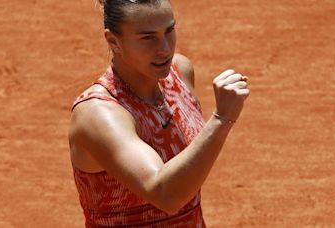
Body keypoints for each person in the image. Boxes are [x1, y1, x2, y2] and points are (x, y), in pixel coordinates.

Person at [68, 0, 250, 227]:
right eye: (148, 38)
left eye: (169, 30)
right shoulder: (99, 113)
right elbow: (164, 194)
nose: (164, 48)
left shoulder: (179, 72)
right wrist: (221, 119)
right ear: (113, 40)